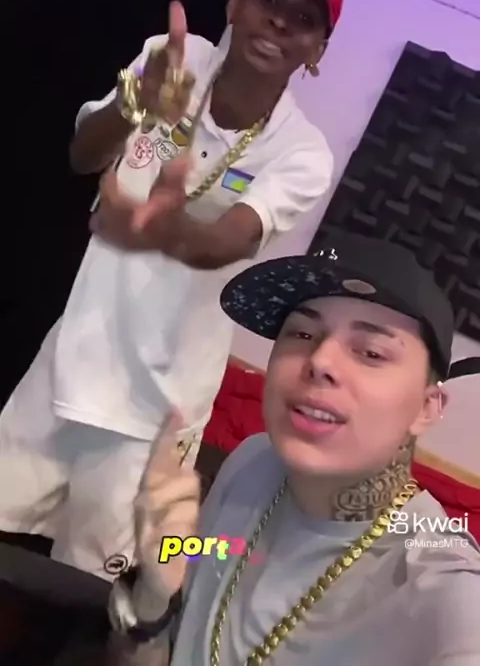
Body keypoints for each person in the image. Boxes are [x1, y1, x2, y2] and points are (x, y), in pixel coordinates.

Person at [0, 0, 343, 579]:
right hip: (70, 362)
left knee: (92, 588)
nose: (278, 20)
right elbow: (83, 153)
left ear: (316, 51)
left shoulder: (302, 153)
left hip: (157, 407)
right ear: (235, 3)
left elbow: (229, 241)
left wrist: (159, 232)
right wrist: (135, 102)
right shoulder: (174, 57)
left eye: (303, 19)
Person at [108, 233, 480, 665]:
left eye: (371, 352)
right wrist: (153, 595)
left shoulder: (442, 585)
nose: (319, 360)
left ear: (427, 407)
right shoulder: (252, 462)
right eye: (302, 333)